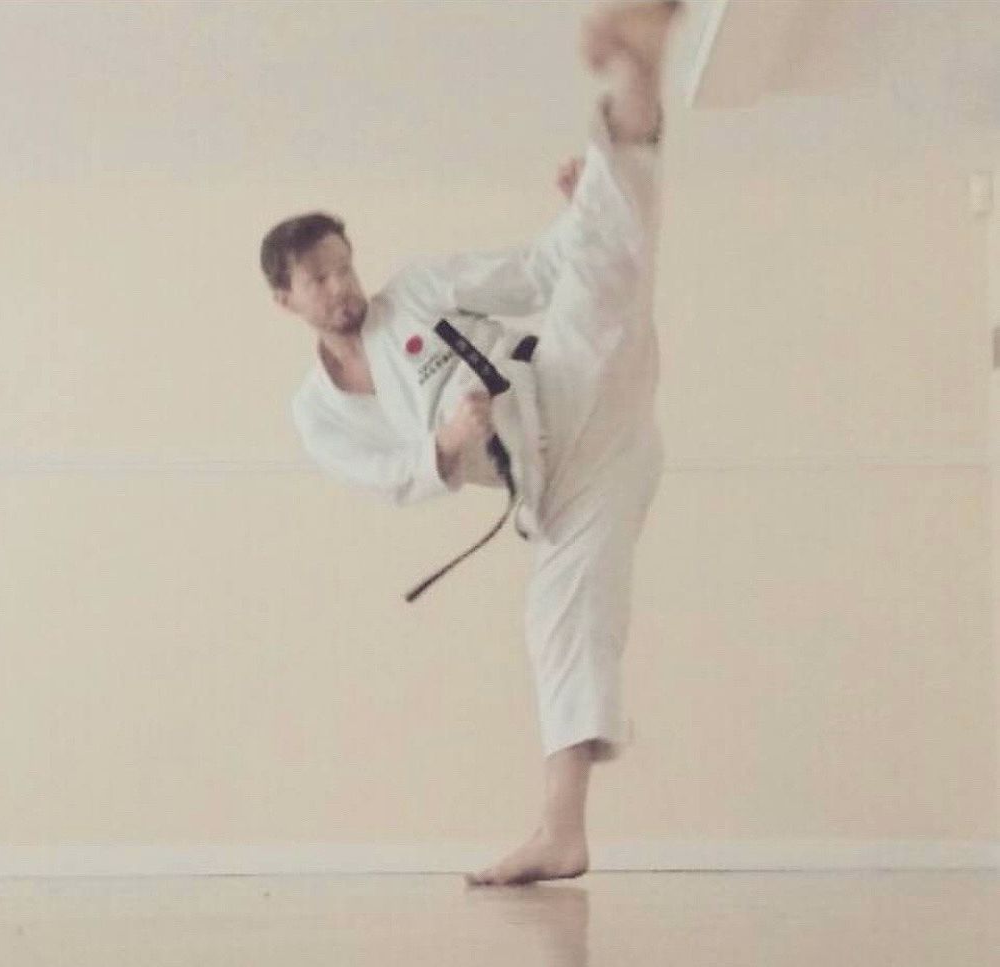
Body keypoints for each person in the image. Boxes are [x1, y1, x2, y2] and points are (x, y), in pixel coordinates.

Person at [262, 0, 681, 887]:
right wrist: (444, 449)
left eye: (343, 265)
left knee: (605, 258)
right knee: (559, 626)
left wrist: (577, 210)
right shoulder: (317, 411)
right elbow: (389, 477)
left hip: (564, 386)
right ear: (285, 298)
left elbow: (537, 271)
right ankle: (560, 834)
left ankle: (635, 67)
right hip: (557, 482)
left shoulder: (415, 290)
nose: (341, 287)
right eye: (318, 279)